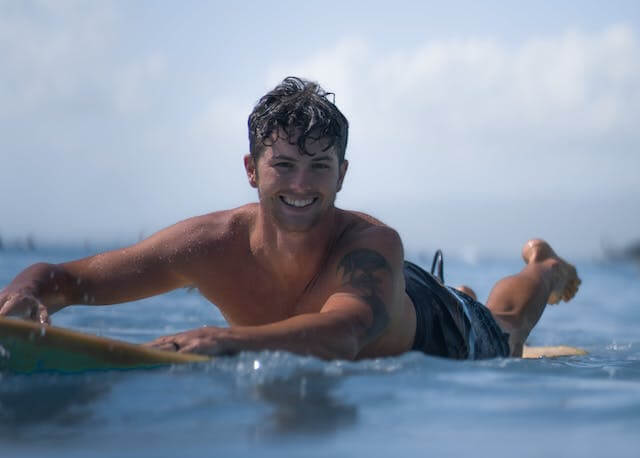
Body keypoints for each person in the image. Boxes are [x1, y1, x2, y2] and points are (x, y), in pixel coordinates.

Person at [0, 77, 580, 360]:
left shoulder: (371, 243)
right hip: (382, 296)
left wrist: (226, 340)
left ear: (343, 173)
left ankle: (544, 268)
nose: (301, 185)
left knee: (506, 327)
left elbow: (348, 332)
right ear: (252, 170)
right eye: (283, 166)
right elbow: (70, 279)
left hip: (427, 328)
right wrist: (23, 298)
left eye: (318, 167)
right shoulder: (210, 243)